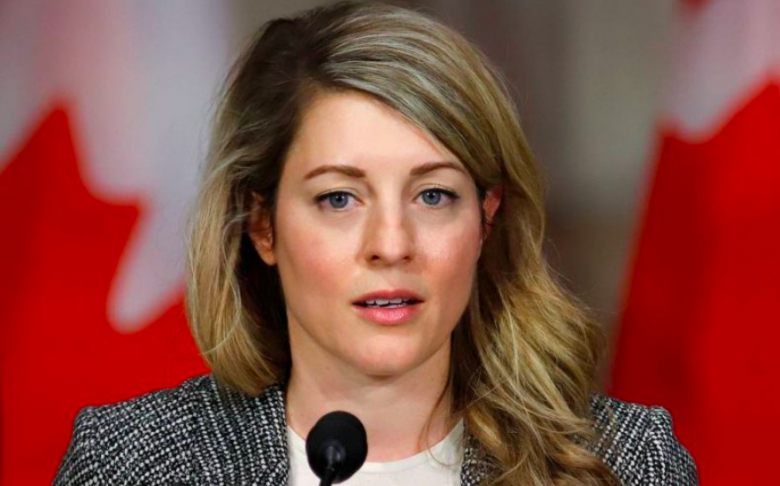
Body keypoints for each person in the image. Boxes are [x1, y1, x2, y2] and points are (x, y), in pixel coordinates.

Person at [53, 2, 699, 485]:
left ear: (486, 220)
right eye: (339, 198)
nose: (391, 245)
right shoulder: (131, 463)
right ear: (262, 226)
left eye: (433, 195)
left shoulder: (628, 463)